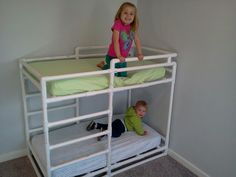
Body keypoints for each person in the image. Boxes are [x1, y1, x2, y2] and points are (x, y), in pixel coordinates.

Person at [97, 2, 144, 77]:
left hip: (123, 57)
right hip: (112, 56)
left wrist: (139, 53)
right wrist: (118, 55)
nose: (128, 16)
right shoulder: (118, 24)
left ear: (134, 16)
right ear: (120, 14)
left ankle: (103, 64)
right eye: (125, 13)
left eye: (131, 14)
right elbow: (115, 41)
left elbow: (137, 40)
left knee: (123, 74)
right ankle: (103, 65)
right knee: (114, 74)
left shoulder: (132, 27)